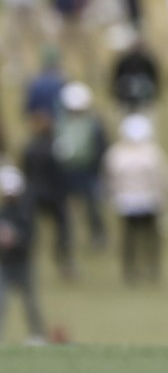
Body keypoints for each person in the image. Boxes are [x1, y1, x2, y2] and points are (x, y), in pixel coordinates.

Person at [103, 114, 168, 285]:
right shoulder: (151, 152)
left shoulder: (117, 153)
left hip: (135, 203)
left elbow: (110, 180)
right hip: (140, 202)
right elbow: (164, 179)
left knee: (137, 237)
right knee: (139, 237)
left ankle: (140, 268)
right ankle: (143, 268)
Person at [53, 82, 108, 251]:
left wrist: (98, 169)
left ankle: (97, 235)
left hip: (88, 171)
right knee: (66, 208)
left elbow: (101, 147)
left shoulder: (94, 123)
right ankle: (67, 238)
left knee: (92, 206)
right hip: (66, 172)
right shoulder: (60, 122)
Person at [21, 110, 72, 279]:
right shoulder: (57, 147)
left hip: (35, 193)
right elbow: (62, 173)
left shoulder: (30, 147)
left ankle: (27, 261)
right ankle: (64, 260)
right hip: (55, 194)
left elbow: (26, 172)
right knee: (63, 229)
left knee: (30, 231)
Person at [0, 166, 46, 344]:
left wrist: (15, 240)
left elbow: (30, 239)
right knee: (1, 302)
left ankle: (38, 336)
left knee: (30, 302)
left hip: (23, 263)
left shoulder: (25, 213)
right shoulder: (3, 212)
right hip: (4, 263)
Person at [110, 31, 160, 115]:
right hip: (126, 97)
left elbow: (154, 78)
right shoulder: (124, 61)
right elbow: (117, 77)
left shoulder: (147, 61)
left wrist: (154, 95)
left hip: (144, 97)